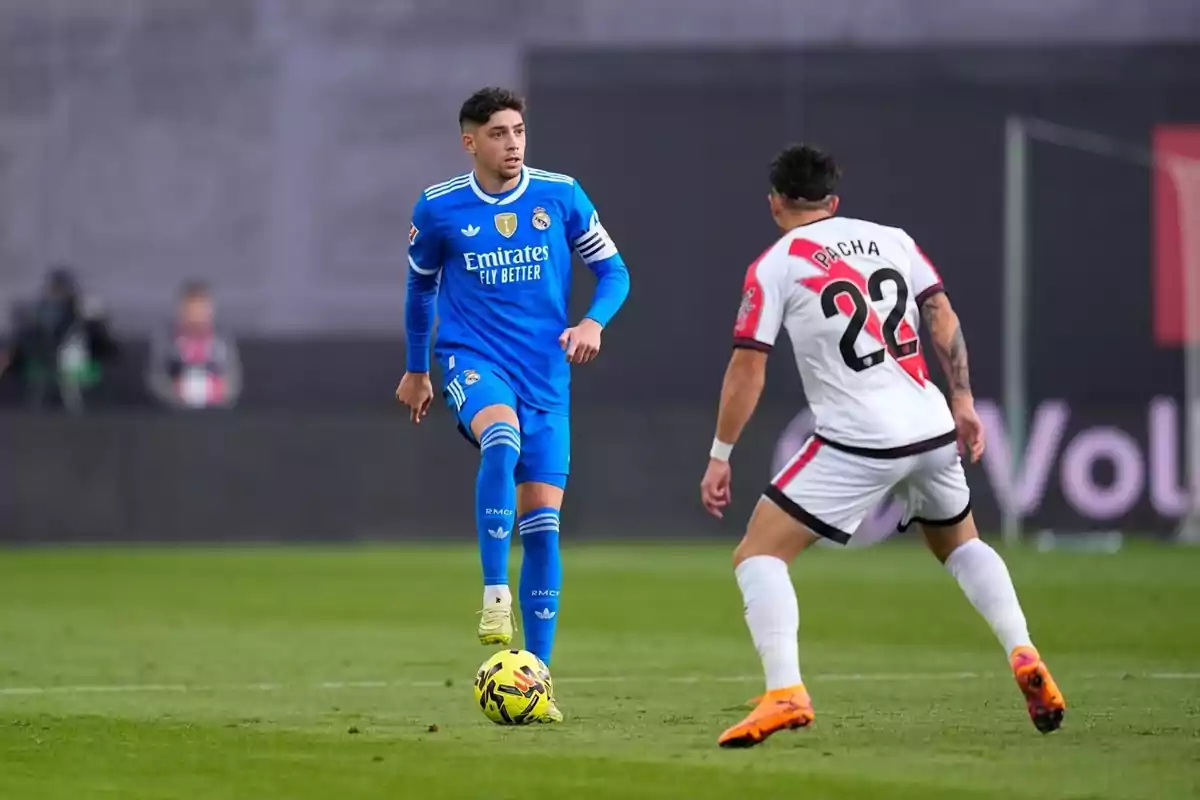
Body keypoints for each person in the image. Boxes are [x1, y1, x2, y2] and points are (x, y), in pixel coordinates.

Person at [699, 144, 1065, 748]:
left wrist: (721, 453)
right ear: (833, 201)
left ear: (775, 203)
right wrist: (963, 398)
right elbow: (940, 315)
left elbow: (747, 367)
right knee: (962, 545)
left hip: (860, 436)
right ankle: (1023, 649)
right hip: (930, 425)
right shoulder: (893, 240)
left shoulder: (776, 264)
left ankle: (785, 690)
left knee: (758, 555)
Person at [394, 87, 630, 722]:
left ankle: (538, 679)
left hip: (546, 376)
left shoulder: (562, 195)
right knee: (501, 438)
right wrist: (417, 368)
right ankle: (495, 592)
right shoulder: (439, 208)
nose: (513, 144)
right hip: (473, 359)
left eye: (519, 131)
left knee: (545, 529)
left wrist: (593, 322)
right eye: (498, 133)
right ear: (470, 141)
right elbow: (420, 291)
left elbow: (616, 273)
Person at [1, 266, 117, 412]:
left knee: (70, 356)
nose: (56, 292)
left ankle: (71, 405)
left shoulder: (81, 310)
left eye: (59, 288)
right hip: (45, 355)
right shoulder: (40, 310)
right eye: (54, 288)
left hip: (72, 358)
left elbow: (101, 340)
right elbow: (28, 335)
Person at [145, 280, 242, 410]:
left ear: (211, 310)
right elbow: (157, 380)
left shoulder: (223, 341)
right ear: (182, 310)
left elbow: (233, 380)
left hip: (217, 413)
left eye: (201, 309)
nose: (196, 316)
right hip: (174, 412)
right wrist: (177, 395)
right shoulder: (166, 342)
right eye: (192, 310)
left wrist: (219, 394)